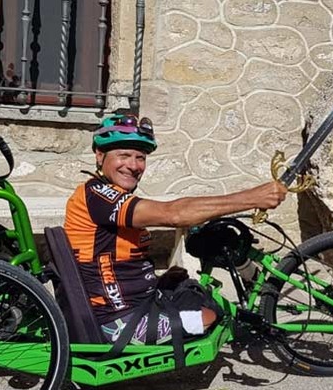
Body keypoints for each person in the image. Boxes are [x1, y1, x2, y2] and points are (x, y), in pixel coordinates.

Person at [64, 114, 288, 345]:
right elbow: (174, 214)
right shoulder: (100, 197)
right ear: (100, 156)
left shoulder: (102, 193)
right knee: (212, 316)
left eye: (140, 157)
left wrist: (157, 280)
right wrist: (253, 197)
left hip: (134, 303)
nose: (133, 165)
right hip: (117, 322)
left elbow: (109, 261)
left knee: (195, 291)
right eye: (123, 155)